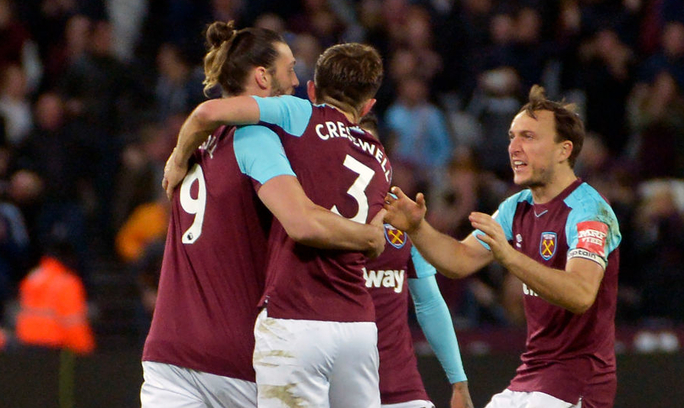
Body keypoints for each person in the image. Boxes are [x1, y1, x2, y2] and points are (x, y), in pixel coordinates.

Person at [142, 24, 385, 408]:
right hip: (233, 358)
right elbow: (302, 220)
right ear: (262, 76)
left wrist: (174, 158)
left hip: (167, 353)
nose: (297, 79)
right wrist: (369, 237)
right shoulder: (256, 138)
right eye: (290, 69)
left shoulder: (197, 145)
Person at [384, 85, 621, 408]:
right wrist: (417, 228)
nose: (514, 147)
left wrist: (508, 256)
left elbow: (580, 294)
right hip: (531, 376)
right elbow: (459, 260)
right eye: (512, 136)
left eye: (528, 137)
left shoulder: (589, 212)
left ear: (564, 150)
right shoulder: (516, 207)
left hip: (577, 382)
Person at [360, 114, 473, 408]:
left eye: (369, 146)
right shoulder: (310, 218)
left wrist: (458, 381)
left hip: (400, 386)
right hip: (332, 384)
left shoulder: (403, 217)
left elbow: (428, 302)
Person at [15, 238, 95, 355]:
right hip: (53, 345)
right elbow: (73, 322)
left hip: (26, 342)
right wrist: (85, 348)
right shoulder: (67, 282)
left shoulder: (32, 278)